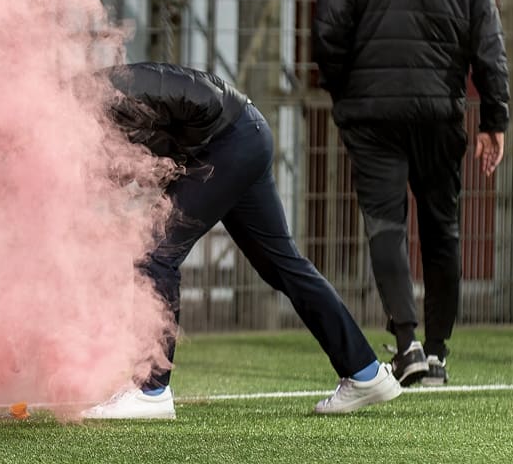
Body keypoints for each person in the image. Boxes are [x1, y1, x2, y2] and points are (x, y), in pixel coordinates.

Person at [82, 61, 401, 419]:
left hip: (227, 142)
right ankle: (366, 372)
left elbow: (193, 109)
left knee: (155, 252)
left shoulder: (108, 97)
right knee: (282, 266)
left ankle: (151, 391)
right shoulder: (97, 104)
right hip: (241, 135)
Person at [311, 0, 510, 388]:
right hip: (439, 113)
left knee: (386, 224)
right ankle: (440, 354)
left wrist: (345, 91)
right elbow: (488, 48)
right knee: (442, 229)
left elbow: (327, 29)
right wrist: (495, 119)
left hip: (372, 115)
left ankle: (408, 344)